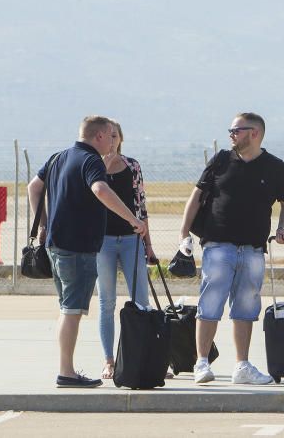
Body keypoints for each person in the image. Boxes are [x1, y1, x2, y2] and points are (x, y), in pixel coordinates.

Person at [177, 112, 284, 385]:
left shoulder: (275, 166)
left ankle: (242, 366)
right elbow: (196, 197)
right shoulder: (221, 160)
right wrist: (184, 235)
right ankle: (202, 363)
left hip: (253, 249)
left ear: (254, 133)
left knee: (245, 308)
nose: (231, 135)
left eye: (236, 130)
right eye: (231, 130)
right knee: (209, 305)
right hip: (218, 245)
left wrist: (282, 228)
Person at [27, 116, 145, 388]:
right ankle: (66, 372)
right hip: (77, 248)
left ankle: (66, 369)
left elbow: (34, 186)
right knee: (72, 310)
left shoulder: (59, 157)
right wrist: (132, 219)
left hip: (56, 245)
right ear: (100, 136)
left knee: (67, 308)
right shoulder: (91, 160)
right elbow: (101, 190)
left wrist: (43, 223)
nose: (113, 142)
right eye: (110, 136)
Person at [96, 119, 156, 380]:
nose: (112, 139)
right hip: (103, 241)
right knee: (106, 302)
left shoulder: (132, 166)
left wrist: (148, 244)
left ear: (120, 138)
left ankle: (146, 357)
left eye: (115, 134)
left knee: (141, 301)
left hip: (131, 239)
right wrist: (104, 167)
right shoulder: (93, 166)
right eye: (108, 135)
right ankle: (109, 360)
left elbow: (141, 205)